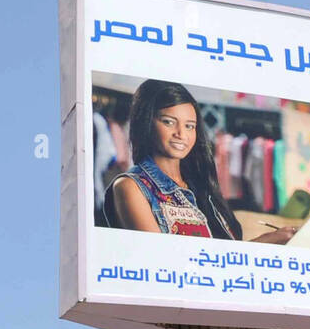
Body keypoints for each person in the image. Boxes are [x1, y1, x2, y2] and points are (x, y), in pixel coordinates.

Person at [110, 80, 296, 244]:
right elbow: (162, 261)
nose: (181, 134)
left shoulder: (202, 186)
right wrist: (261, 244)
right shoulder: (131, 186)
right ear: (146, 122)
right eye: (168, 122)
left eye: (189, 126)